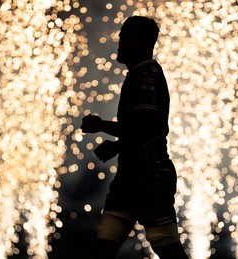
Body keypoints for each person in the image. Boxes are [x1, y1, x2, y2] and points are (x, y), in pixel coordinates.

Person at [80, 15, 189, 259]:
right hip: (132, 180)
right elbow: (142, 131)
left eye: (124, 39)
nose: (119, 44)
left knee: (168, 249)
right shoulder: (140, 76)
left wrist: (101, 125)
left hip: (147, 180)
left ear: (139, 43)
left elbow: (144, 126)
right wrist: (118, 147)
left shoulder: (145, 77)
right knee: (104, 248)